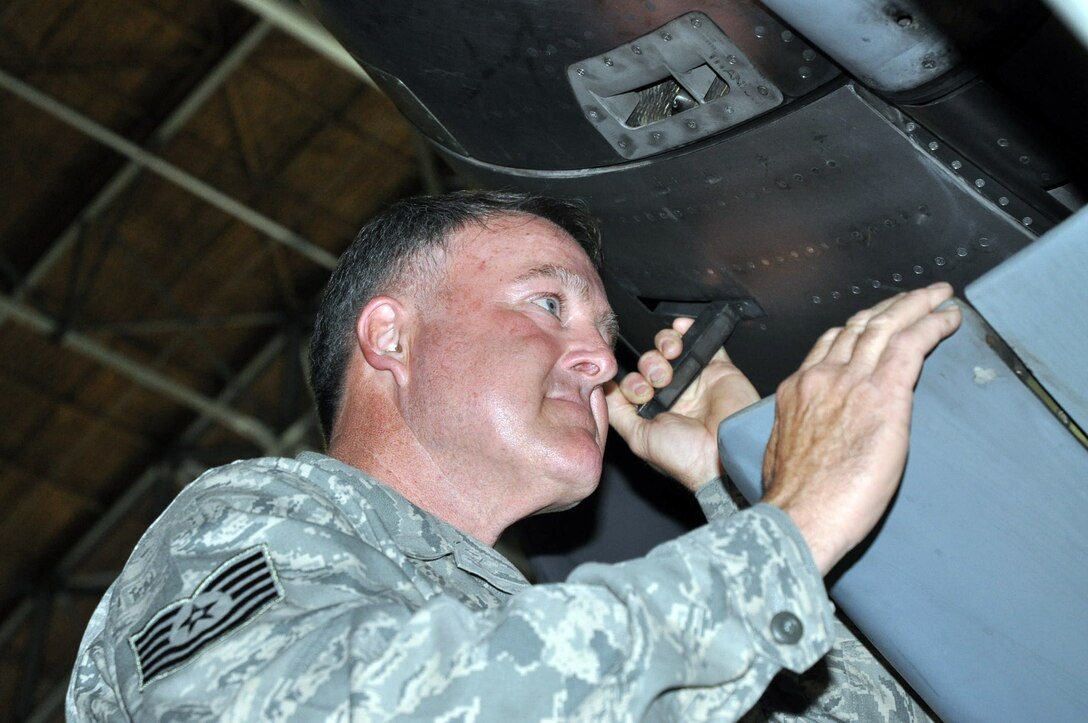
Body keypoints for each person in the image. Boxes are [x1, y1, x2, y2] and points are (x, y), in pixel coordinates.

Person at [68, 191, 961, 721]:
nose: (602, 359)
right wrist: (794, 530)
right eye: (547, 305)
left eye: (606, 335)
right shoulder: (244, 524)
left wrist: (728, 482)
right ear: (392, 339)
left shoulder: (527, 627)